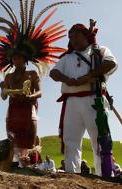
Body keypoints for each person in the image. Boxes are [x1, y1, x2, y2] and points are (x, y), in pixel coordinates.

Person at [0, 0, 70, 164]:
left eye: (19, 57)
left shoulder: (32, 73)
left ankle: (24, 161)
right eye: (14, 57)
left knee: (26, 139)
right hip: (13, 111)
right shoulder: (8, 77)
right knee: (13, 138)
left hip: (28, 110)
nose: (16, 59)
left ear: (25, 59)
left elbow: (40, 92)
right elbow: (4, 97)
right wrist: (3, 88)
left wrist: (31, 94)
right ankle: (15, 163)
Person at [49, 20, 117, 176]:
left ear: (86, 35)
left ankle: (104, 175)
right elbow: (54, 73)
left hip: (94, 99)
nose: (73, 39)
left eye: (76, 35)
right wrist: (68, 80)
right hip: (71, 101)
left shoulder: (99, 50)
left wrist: (88, 77)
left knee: (98, 139)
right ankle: (72, 175)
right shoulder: (67, 57)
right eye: (70, 36)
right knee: (70, 140)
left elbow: (110, 63)